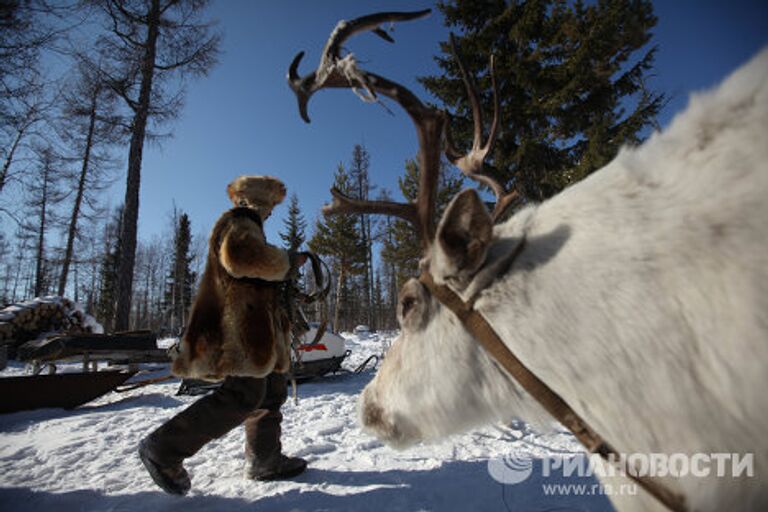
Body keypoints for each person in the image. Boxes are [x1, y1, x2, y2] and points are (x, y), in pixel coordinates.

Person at [139, 175, 307, 495]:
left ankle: (265, 460)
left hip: (256, 328)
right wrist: (287, 262)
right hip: (241, 329)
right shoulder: (240, 222)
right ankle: (163, 449)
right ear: (257, 202)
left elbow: (252, 271)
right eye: (269, 205)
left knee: (270, 390)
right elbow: (242, 258)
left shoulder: (246, 225)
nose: (271, 212)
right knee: (242, 395)